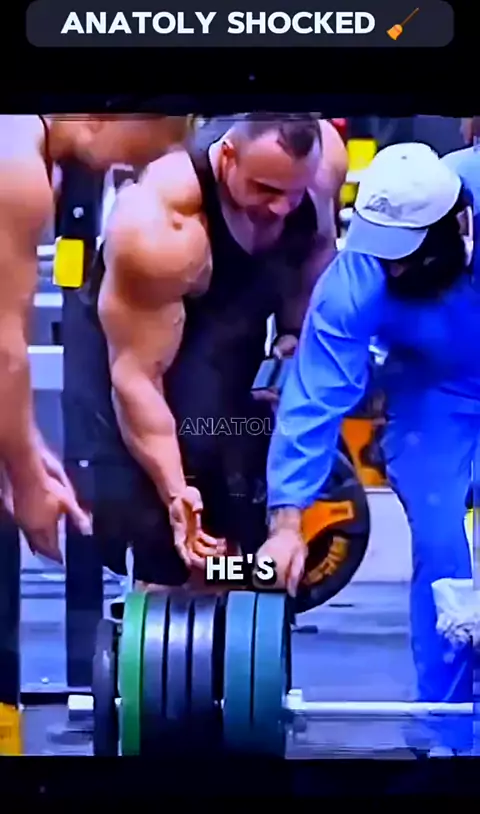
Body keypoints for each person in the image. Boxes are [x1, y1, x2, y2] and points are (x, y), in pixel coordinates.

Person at [261, 141, 480, 753]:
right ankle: (449, 728)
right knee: (442, 543)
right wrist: (287, 522)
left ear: (456, 224)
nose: (395, 270)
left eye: (406, 255)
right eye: (385, 255)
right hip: (435, 394)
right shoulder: (356, 279)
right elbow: (314, 398)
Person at [84, 112, 347, 588]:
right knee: (171, 507)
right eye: (266, 189)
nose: (282, 207)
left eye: (294, 193)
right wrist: (176, 493)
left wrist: (291, 343)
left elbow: (316, 251)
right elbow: (137, 378)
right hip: (150, 328)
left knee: (240, 461)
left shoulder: (322, 162)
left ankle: (242, 582)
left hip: (238, 312)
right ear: (227, 157)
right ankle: (165, 589)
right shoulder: (161, 227)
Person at [0, 112, 192, 560]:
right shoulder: (17, 169)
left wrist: (24, 446)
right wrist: (27, 481)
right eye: (136, 159)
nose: (129, 172)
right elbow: (4, 352)